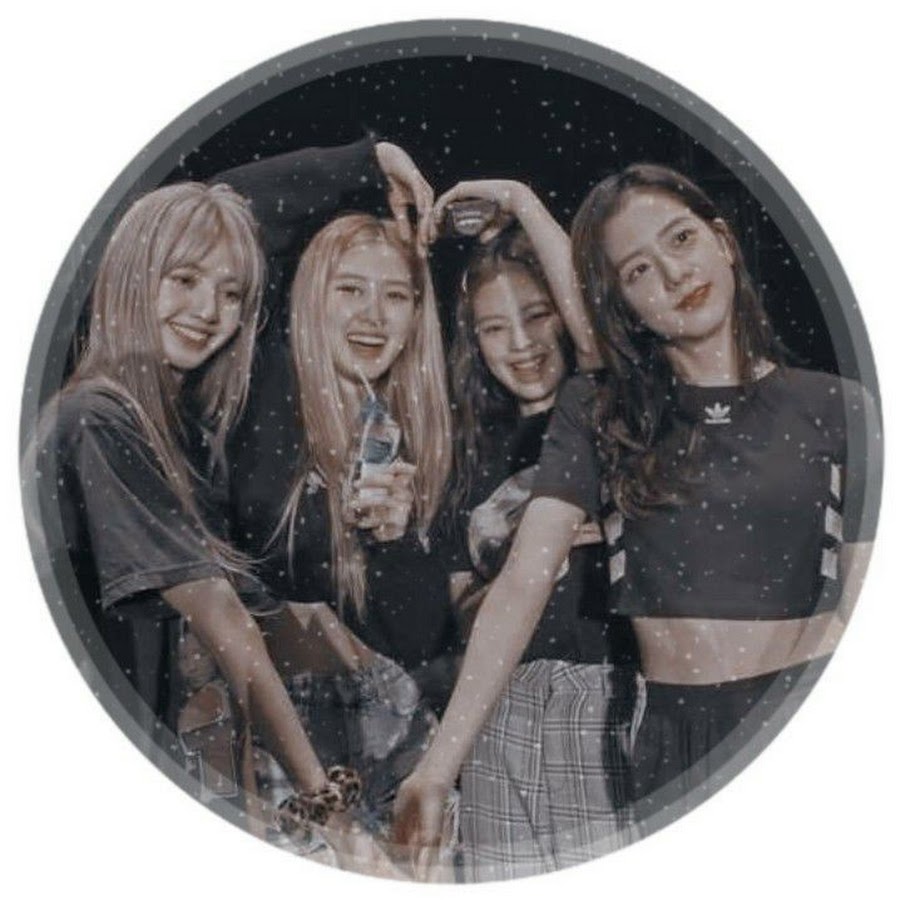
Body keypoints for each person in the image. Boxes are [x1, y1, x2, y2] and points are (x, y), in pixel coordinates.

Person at [392, 163, 878, 858]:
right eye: (639, 271)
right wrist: (438, 767)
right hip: (669, 740)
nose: (674, 275)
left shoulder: (838, 407)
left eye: (681, 240)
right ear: (621, 303)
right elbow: (522, 585)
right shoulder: (602, 412)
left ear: (723, 240)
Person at [24, 182, 363, 834]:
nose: (208, 310)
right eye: (184, 279)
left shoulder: (183, 434)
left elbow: (246, 614)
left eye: (232, 294)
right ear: (130, 277)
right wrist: (323, 800)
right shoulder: (97, 419)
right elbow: (217, 613)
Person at [228, 210, 456, 854]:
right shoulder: (259, 391)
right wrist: (369, 165)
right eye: (350, 288)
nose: (374, 316)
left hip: (391, 737)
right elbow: (229, 215)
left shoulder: (415, 434)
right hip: (276, 733)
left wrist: (394, 541)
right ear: (309, 298)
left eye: (396, 297)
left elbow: (417, 638)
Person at [435, 179, 639, 879]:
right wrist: (521, 563)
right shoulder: (462, 458)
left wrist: (522, 201)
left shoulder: (608, 412)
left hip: (606, 695)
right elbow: (460, 616)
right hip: (497, 711)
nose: (520, 344)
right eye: (494, 328)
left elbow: (601, 339)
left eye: (536, 315)